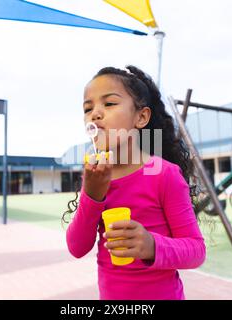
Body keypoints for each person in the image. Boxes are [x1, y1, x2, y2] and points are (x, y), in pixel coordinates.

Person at [63, 65, 206, 300]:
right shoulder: (97, 175)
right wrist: (92, 195)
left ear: (140, 117)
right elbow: (77, 247)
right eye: (88, 108)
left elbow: (196, 251)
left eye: (109, 104)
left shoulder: (163, 174)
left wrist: (152, 246)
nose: (95, 114)